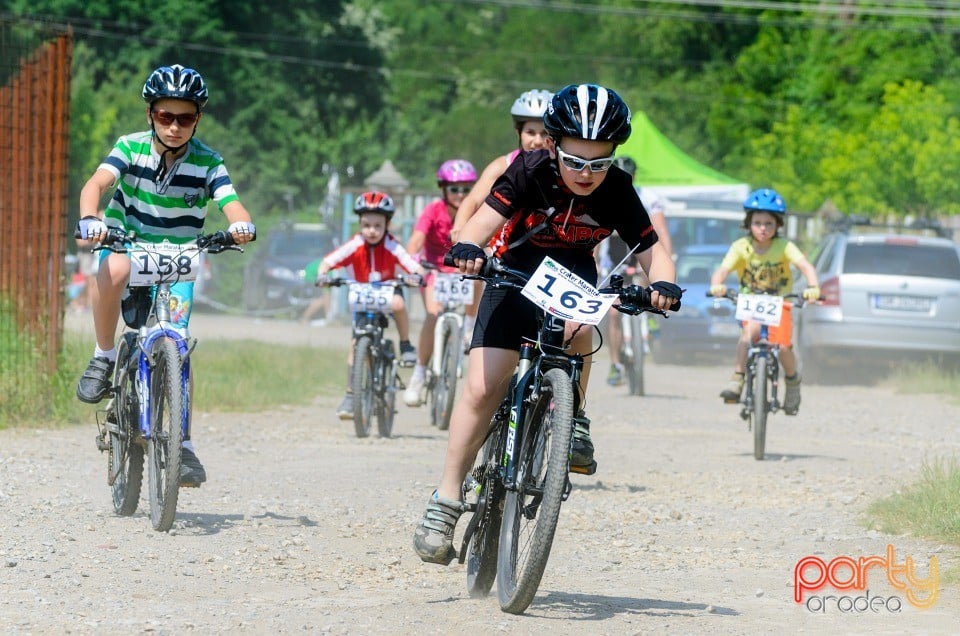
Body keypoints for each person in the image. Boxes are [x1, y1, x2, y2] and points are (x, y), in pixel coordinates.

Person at [413, 83, 681, 564]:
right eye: (575, 161)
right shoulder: (529, 169)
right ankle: (446, 499)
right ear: (553, 145)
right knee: (482, 386)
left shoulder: (618, 188)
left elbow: (653, 250)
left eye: (598, 163)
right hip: (512, 273)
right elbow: (481, 220)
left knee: (582, 330)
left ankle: (573, 417)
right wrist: (471, 248)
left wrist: (662, 284)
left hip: (571, 277)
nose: (586, 174)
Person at [74, 64, 257, 487]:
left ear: (198, 119)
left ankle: (184, 444)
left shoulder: (209, 162)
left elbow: (233, 204)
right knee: (114, 267)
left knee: (177, 344)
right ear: (150, 115)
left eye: (185, 118)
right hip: (126, 241)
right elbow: (95, 184)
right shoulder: (130, 148)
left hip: (180, 255)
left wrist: (241, 226)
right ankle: (103, 357)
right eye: (165, 117)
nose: (174, 127)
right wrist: (89, 217)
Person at [449, 89, 555, 345]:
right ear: (518, 133)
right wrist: (460, 229)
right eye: (531, 132)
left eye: (544, 133)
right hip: (506, 254)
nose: (537, 140)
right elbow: (472, 200)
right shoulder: (503, 165)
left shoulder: (564, 169)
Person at [314, 191, 425, 419]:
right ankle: (350, 394)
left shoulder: (392, 245)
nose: (371, 230)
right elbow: (328, 261)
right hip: (361, 296)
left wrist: (417, 275)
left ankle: (405, 344)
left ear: (387, 224)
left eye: (377, 225)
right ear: (359, 224)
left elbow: (411, 264)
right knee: (356, 346)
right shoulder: (355, 244)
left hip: (387, 291)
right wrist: (323, 274)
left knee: (398, 303)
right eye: (366, 225)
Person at [708, 188, 820, 414]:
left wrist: (813, 287)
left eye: (769, 223)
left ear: (778, 225)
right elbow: (722, 270)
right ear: (749, 223)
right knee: (748, 335)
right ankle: (738, 378)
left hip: (780, 304)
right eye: (758, 222)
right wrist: (717, 285)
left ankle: (792, 383)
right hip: (750, 302)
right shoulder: (741, 247)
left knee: (784, 347)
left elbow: (805, 266)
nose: (763, 228)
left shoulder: (784, 247)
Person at [403, 160, 478, 407]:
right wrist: (412, 262)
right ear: (443, 189)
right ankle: (420, 373)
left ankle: (468, 326)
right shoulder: (433, 210)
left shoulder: (477, 211)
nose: (460, 195)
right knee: (433, 315)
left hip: (463, 270)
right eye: (454, 189)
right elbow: (416, 240)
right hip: (434, 270)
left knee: (480, 272)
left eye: (466, 189)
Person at [599, 156, 672, 386]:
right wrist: (595, 263)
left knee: (648, 288)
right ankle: (614, 364)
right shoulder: (600, 194)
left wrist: (667, 263)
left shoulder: (648, 197)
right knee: (613, 313)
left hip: (640, 254)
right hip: (614, 259)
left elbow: (660, 232)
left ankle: (651, 317)